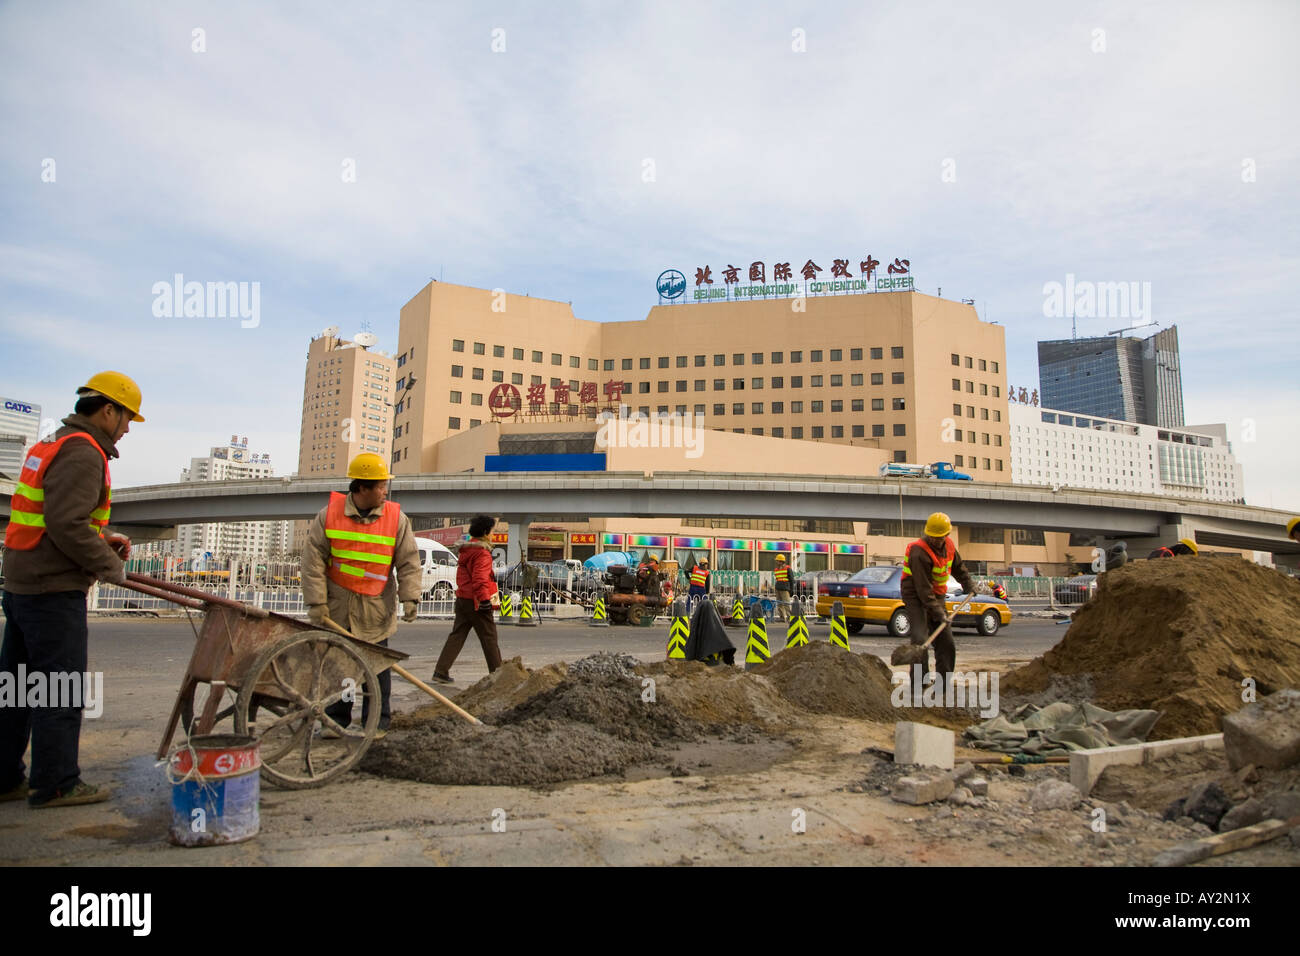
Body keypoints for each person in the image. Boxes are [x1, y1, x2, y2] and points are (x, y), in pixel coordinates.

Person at [1, 372, 143, 807]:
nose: (125, 430)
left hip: (23, 584)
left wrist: (103, 540)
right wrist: (108, 566)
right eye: (126, 420)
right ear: (107, 410)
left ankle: (5, 777)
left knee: (17, 689)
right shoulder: (84, 452)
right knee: (59, 690)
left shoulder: (52, 444)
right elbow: (65, 525)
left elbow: (53, 521)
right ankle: (57, 783)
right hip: (52, 590)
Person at [301, 453, 420, 737]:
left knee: (377, 671)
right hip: (338, 609)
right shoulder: (329, 515)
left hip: (375, 609)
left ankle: (377, 723)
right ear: (362, 488)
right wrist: (316, 602)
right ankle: (337, 721)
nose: (385, 491)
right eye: (380, 486)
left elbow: (408, 561)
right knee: (340, 669)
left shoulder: (396, 519)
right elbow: (313, 561)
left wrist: (410, 597)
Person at [900, 512, 975, 692]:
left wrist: (968, 584)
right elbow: (924, 591)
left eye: (938, 537)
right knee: (920, 639)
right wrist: (939, 613)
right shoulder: (919, 552)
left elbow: (958, 567)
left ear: (945, 535)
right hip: (916, 597)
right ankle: (919, 685)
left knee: (946, 642)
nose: (935, 540)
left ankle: (942, 685)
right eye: (932, 537)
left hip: (937, 596)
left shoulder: (949, 546)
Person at [432, 514, 502, 683]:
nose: (493, 534)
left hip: (463, 598)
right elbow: (479, 579)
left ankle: (441, 671)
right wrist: (485, 600)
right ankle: (499, 674)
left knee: (458, 634)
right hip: (476, 600)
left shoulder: (467, 550)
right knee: (489, 637)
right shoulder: (482, 553)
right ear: (485, 532)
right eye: (492, 531)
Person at [773, 554, 794, 621]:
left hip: (785, 588)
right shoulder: (776, 569)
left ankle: (789, 617)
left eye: (778, 561)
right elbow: (777, 578)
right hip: (778, 588)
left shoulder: (788, 568)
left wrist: (791, 590)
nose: (776, 562)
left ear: (781, 561)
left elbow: (791, 579)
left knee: (786, 603)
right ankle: (782, 617)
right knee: (779, 604)